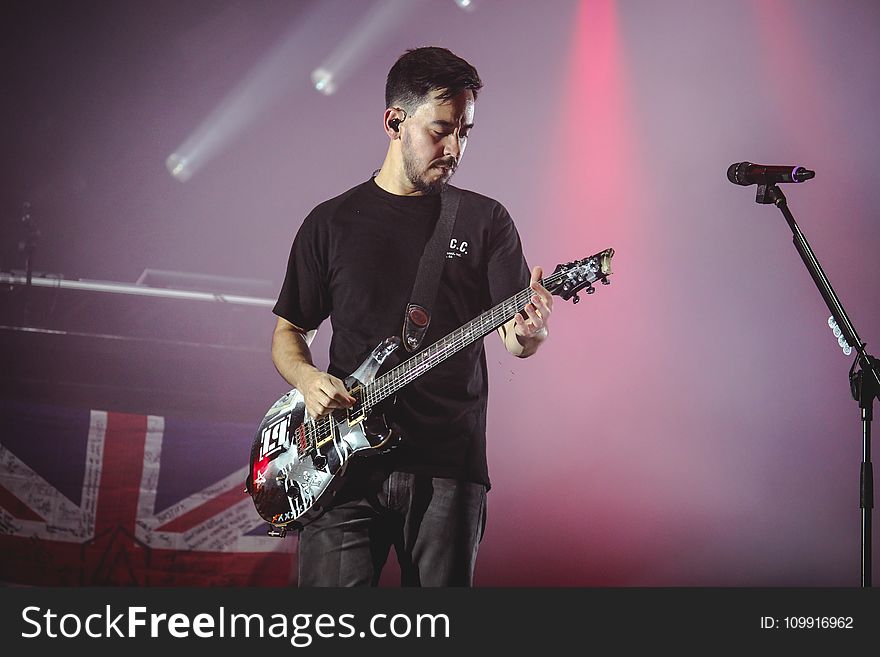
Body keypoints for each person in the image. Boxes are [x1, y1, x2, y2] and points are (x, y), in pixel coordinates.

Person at [271, 46, 552, 587]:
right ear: (394, 122)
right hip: (339, 465)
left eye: (465, 132)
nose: (455, 148)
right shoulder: (331, 223)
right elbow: (289, 332)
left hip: (448, 465)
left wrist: (531, 332)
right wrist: (308, 380)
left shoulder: (484, 219)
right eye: (441, 130)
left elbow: (518, 341)